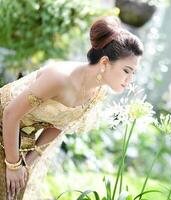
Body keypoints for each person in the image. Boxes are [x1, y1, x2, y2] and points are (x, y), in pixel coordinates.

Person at [0, 16, 143, 200]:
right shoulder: (59, 78)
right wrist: (13, 165)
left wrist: (26, 165)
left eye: (133, 73)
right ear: (105, 63)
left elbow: (59, 125)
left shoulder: (98, 92)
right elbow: (10, 113)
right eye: (126, 70)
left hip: (21, 141)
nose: (129, 80)